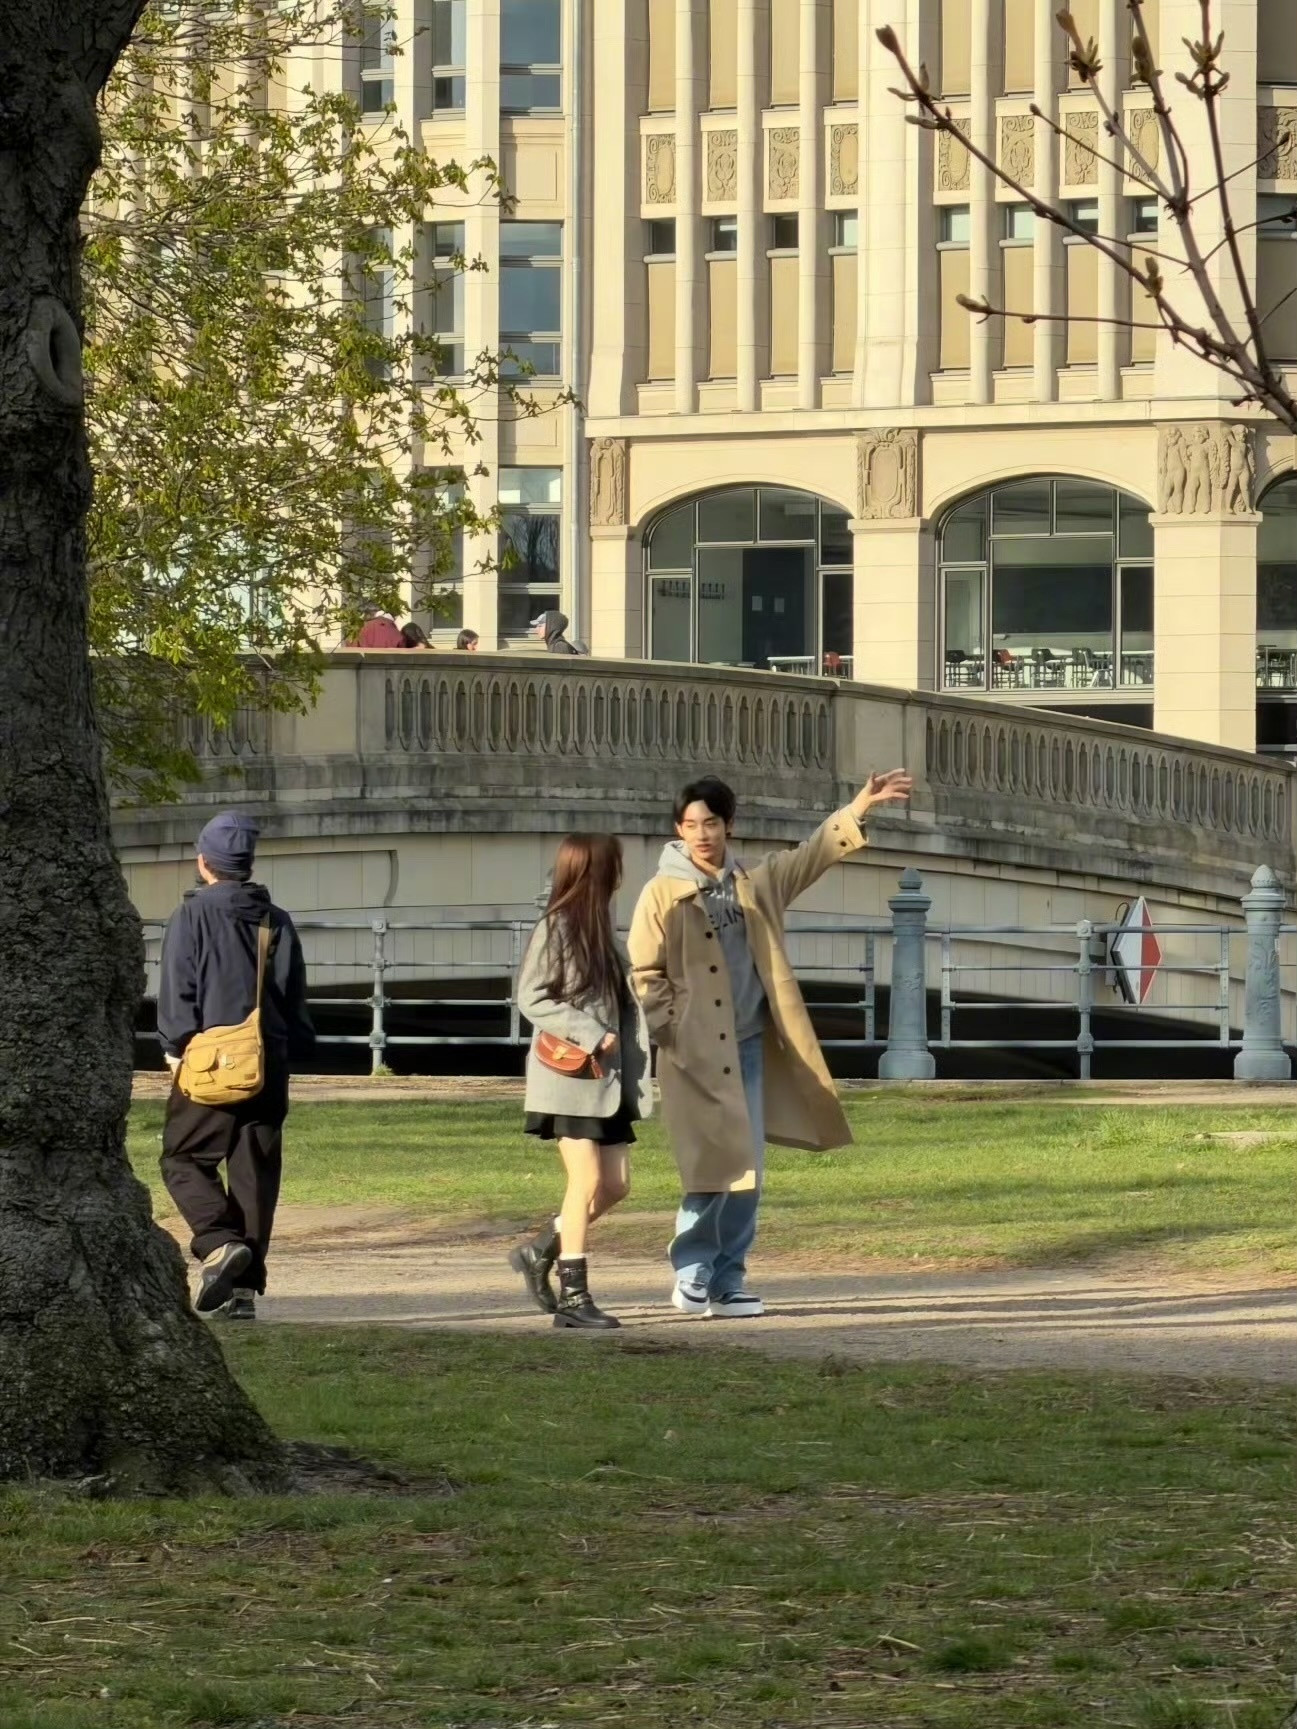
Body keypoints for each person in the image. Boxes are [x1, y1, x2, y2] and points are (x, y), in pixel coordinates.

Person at [628, 770, 912, 1319]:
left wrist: (858, 808)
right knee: (709, 1164)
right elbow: (645, 971)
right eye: (691, 825)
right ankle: (692, 1269)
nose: (702, 834)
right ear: (678, 830)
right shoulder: (660, 892)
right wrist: (671, 1029)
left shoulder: (756, 881)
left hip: (751, 1044)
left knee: (749, 1169)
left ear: (729, 825)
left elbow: (812, 855)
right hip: (695, 1052)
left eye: (711, 823)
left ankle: (728, 1279)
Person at [157, 812, 315, 1320]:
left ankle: (219, 1243)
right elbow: (292, 994)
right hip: (267, 1060)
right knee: (254, 1173)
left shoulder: (191, 915)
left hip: (210, 1061)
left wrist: (175, 1047)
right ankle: (242, 1293)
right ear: (247, 864)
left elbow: (178, 988)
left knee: (183, 1157)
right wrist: (292, 1049)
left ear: (204, 861)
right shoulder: (275, 918)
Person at [509, 834, 652, 1330]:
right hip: (570, 1077)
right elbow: (532, 997)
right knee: (586, 1180)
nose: (620, 875)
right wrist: (590, 1033)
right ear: (597, 871)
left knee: (616, 1185)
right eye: (614, 865)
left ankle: (542, 1248)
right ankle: (574, 1298)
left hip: (606, 1083)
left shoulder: (601, 928)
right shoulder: (557, 926)